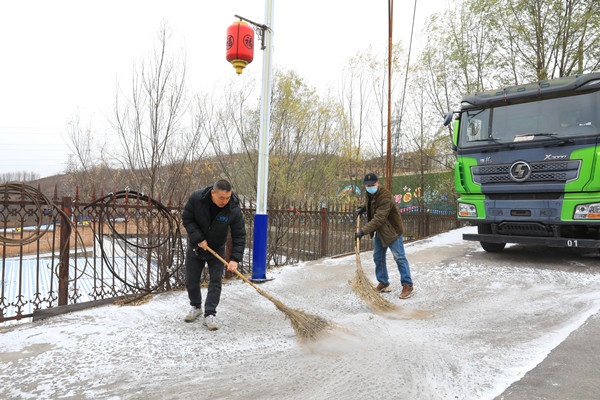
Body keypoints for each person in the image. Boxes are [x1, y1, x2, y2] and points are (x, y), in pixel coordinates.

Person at [181, 179, 246, 330]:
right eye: (221, 198)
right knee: (191, 279)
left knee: (215, 281)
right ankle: (196, 307)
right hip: (197, 246)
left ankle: (210, 314)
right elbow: (187, 218)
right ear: (213, 193)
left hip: (217, 248)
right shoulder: (197, 198)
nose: (225, 201)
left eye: (227, 197)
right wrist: (198, 238)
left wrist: (235, 259)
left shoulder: (233, 208)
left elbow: (239, 235)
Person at [355, 172, 414, 299]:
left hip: (392, 231)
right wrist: (362, 208)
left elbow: (379, 219)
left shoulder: (385, 197)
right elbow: (370, 204)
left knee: (399, 258)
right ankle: (384, 283)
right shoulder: (370, 194)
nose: (369, 187)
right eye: (367, 185)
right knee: (378, 257)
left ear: (378, 183)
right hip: (381, 231)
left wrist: (362, 231)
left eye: (372, 185)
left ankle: (408, 285)